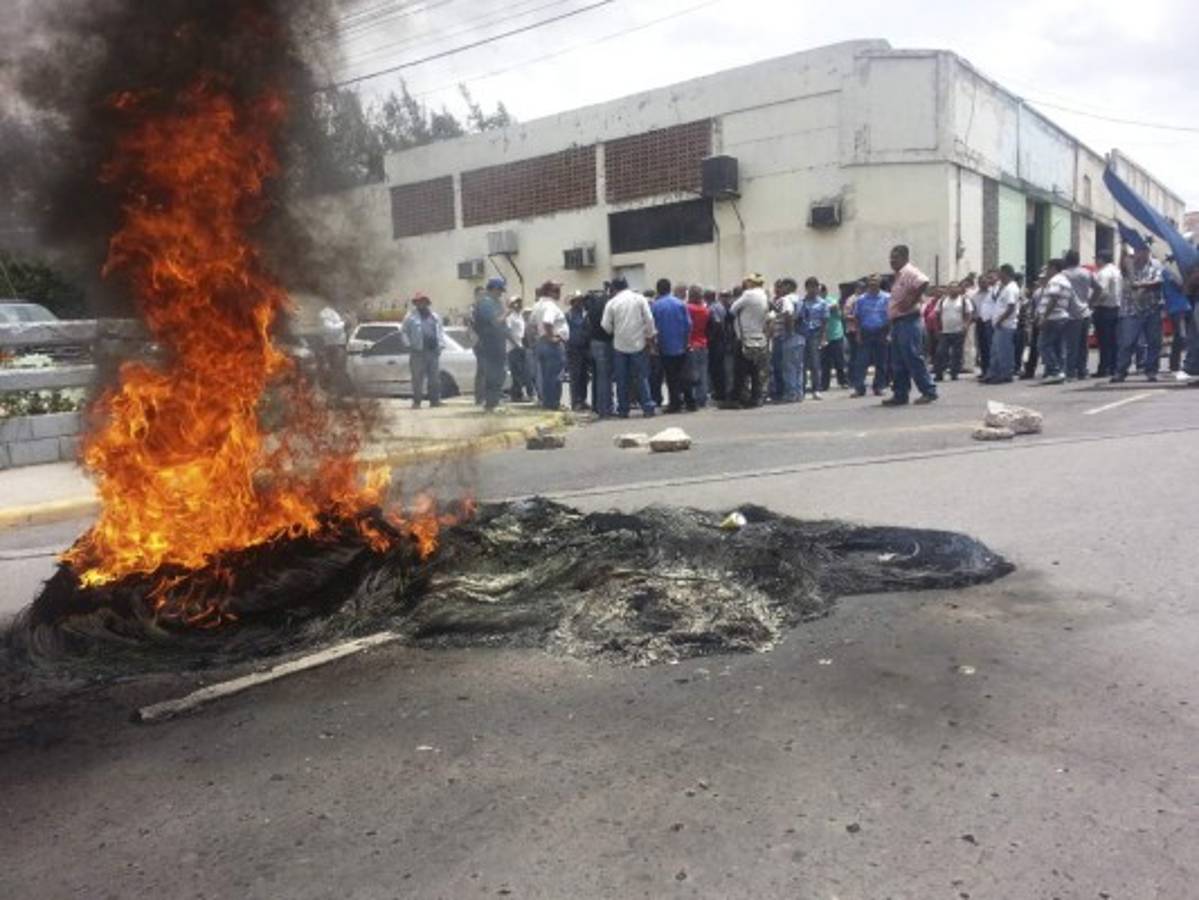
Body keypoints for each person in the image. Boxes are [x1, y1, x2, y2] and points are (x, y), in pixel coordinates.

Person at [883, 245, 938, 406]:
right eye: (891, 258)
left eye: (895, 258)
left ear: (905, 258)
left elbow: (923, 281)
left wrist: (912, 299)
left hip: (909, 320)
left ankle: (929, 391)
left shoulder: (909, 271)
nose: (892, 261)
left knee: (913, 357)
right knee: (898, 360)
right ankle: (900, 394)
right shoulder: (898, 276)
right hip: (898, 322)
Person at [601, 276, 657, 418]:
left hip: (620, 345)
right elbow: (649, 319)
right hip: (638, 343)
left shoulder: (612, 303)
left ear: (613, 288)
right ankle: (647, 407)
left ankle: (623, 409)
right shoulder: (639, 299)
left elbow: (605, 325)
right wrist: (649, 335)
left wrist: (614, 331)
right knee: (641, 377)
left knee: (622, 379)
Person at [1113, 246, 1164, 383]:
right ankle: (1121, 371)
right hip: (1131, 309)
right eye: (1138, 250)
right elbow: (1122, 266)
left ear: (1148, 251)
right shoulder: (1128, 264)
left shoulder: (1156, 265)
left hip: (1151, 309)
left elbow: (1158, 282)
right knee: (1127, 342)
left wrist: (1141, 285)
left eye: (1144, 250)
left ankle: (1151, 371)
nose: (1141, 253)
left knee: (1154, 342)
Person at [650, 278, 696, 413]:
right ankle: (690, 402)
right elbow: (688, 325)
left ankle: (675, 403)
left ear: (658, 290)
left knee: (671, 377)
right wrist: (686, 341)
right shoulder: (680, 304)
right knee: (684, 375)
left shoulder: (656, 306)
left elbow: (652, 327)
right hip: (681, 345)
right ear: (669, 288)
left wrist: (654, 345)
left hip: (665, 346)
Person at [731, 273, 770, 407]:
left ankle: (739, 399)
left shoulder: (748, 294)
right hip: (759, 337)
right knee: (755, 371)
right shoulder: (765, 295)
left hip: (744, 338)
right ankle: (756, 398)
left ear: (751, 283)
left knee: (740, 371)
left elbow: (732, 309)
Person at [400, 293, 444, 408]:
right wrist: (408, 344)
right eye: (419, 301)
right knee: (417, 379)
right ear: (416, 303)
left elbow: (440, 331)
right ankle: (417, 402)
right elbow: (403, 332)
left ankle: (435, 401)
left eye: (424, 301)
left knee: (434, 378)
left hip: (433, 352)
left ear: (427, 303)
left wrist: (441, 345)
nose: (421, 303)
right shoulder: (410, 317)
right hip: (417, 352)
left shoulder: (435, 316)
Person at [850, 273, 890, 398]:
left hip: (881, 332)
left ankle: (879, 387)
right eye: (871, 281)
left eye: (875, 281)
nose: (873, 283)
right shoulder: (861, 299)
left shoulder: (887, 297)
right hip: (866, 332)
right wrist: (858, 334)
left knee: (881, 362)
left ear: (880, 282)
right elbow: (857, 317)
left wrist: (889, 333)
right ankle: (859, 388)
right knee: (861, 362)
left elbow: (890, 316)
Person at [473, 277, 509, 412]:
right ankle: (490, 404)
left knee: (500, 373)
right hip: (489, 343)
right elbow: (495, 322)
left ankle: (494, 402)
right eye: (500, 290)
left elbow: (503, 326)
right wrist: (507, 313)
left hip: (498, 343)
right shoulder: (486, 303)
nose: (501, 293)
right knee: (492, 374)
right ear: (493, 288)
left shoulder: (496, 302)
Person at [1062, 249, 1098, 381]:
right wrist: (1091, 303)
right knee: (1083, 345)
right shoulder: (1087, 273)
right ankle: (1082, 371)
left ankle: (1070, 372)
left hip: (1070, 313)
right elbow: (1098, 288)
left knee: (1071, 345)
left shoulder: (1064, 275)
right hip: (1085, 311)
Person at [983, 264, 1020, 383]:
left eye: (1000, 273)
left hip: (1005, 325)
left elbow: (1011, 307)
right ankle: (993, 373)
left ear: (1005, 273)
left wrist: (1000, 320)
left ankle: (1006, 374)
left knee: (1004, 351)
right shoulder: (1005, 287)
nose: (998, 275)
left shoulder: (1011, 288)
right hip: (1000, 325)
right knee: (996, 351)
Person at [1038, 258, 1073, 383]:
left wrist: (1044, 317)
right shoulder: (1065, 281)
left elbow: (1053, 298)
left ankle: (1055, 371)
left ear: (1053, 268)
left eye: (1048, 268)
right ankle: (1060, 372)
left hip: (1053, 317)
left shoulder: (1055, 280)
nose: (1046, 271)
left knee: (1044, 345)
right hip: (1062, 316)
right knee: (1058, 346)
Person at [934, 280, 972, 381]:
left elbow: (968, 315)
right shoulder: (942, 300)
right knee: (940, 353)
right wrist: (938, 328)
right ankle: (939, 373)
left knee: (956, 354)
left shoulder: (964, 300)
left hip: (958, 331)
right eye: (950, 287)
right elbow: (937, 314)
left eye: (955, 287)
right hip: (945, 331)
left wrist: (965, 326)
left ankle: (954, 373)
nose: (953, 289)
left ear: (959, 289)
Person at [585, 288, 614, 417]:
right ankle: (605, 409)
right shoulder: (607, 304)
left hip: (594, 342)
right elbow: (607, 325)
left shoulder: (592, 307)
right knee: (605, 377)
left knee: (598, 376)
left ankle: (597, 406)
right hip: (605, 341)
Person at [1092, 251, 1122, 377]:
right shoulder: (1116, 271)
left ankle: (1104, 368)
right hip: (1116, 308)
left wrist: (1092, 303)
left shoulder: (1103, 273)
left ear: (1101, 259)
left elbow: (1102, 292)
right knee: (1113, 341)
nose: (1095, 261)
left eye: (1097, 258)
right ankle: (1114, 366)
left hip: (1104, 309)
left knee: (1104, 341)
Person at [797, 277, 827, 400]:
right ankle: (802, 389)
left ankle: (816, 389)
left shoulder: (822, 303)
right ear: (806, 288)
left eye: (815, 286)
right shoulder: (802, 302)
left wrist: (823, 338)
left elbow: (825, 321)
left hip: (815, 333)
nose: (813, 289)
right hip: (803, 333)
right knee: (802, 363)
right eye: (810, 286)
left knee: (815, 363)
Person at [685, 285, 711, 408]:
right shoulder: (705, 310)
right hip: (703, 342)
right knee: (703, 372)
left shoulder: (688, 309)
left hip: (692, 343)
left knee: (693, 373)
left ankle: (694, 398)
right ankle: (702, 398)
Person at [565, 291, 592, 411]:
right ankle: (575, 401)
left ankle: (583, 399)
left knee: (584, 376)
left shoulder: (585, 314)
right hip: (573, 349)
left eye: (581, 300)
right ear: (572, 302)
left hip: (585, 348)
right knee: (575, 376)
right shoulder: (568, 315)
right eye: (577, 300)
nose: (580, 302)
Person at [821, 287, 848, 390]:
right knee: (825, 362)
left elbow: (836, 309)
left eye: (821, 292)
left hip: (836, 334)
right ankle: (824, 384)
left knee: (839, 360)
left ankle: (843, 381)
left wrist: (831, 307)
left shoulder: (831, 300)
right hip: (824, 336)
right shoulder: (818, 302)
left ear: (825, 292)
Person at [706, 289, 730, 403]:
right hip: (722, 341)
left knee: (716, 369)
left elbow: (717, 322)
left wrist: (711, 337)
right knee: (720, 369)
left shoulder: (712, 308)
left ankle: (720, 394)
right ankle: (721, 393)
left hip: (716, 342)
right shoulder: (720, 306)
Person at [504, 297, 529, 402]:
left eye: (520, 302)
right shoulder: (511, 317)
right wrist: (515, 344)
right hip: (513, 347)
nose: (518, 305)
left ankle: (517, 393)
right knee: (516, 372)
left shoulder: (520, 316)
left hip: (521, 345)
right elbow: (508, 332)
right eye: (516, 303)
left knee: (522, 372)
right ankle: (517, 395)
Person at [974, 271, 997, 376]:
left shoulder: (993, 293)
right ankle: (984, 370)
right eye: (980, 282)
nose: (982, 284)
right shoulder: (975, 295)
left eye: (984, 281)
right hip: (979, 322)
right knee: (982, 346)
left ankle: (991, 370)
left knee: (990, 346)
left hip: (990, 321)